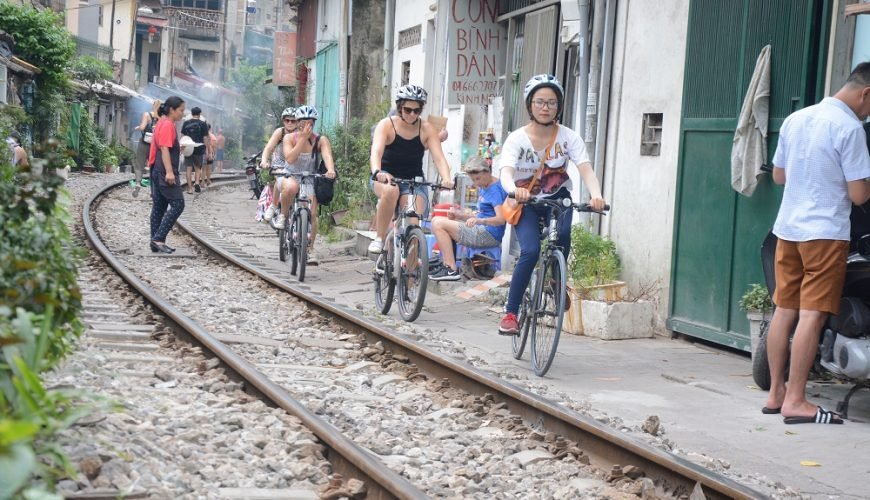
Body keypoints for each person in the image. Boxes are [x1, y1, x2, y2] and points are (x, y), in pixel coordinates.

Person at [764, 62, 870, 425]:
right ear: (865, 93)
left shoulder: (798, 118)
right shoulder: (850, 128)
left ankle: (776, 394)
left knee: (784, 309)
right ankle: (797, 400)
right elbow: (859, 195)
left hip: (788, 229)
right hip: (825, 233)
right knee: (812, 313)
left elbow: (778, 176)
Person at [497, 75, 606, 335]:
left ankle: (557, 280)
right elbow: (505, 173)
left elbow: (586, 170)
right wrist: (515, 190)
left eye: (552, 103)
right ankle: (511, 313)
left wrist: (596, 195)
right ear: (529, 105)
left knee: (565, 234)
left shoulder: (569, 138)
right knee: (531, 251)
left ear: (559, 106)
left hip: (558, 198)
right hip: (527, 203)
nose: (545, 107)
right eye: (539, 102)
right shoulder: (516, 139)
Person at [369, 84, 455, 254]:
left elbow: (438, 157)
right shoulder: (387, 125)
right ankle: (379, 238)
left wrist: (447, 178)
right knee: (391, 191)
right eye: (408, 110)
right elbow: (376, 152)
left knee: (413, 223)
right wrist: (377, 172)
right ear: (400, 107)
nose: (412, 114)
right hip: (386, 177)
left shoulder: (426, 129)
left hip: (413, 182)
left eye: (417, 111)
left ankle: (410, 274)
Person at [275, 105, 336, 265]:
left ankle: (310, 248)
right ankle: (283, 215)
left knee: (313, 213)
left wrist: (330, 170)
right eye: (303, 122)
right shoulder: (289, 138)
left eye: (310, 122)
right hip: (290, 174)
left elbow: (327, 156)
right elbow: (290, 159)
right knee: (291, 188)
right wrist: (302, 139)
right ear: (297, 123)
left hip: (309, 177)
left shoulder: (320, 140)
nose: (306, 126)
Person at [429, 156, 507, 281]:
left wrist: (479, 221)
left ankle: (451, 269)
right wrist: (460, 216)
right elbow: (481, 214)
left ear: (487, 172)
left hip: (489, 234)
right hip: (481, 229)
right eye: (473, 180)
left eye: (478, 179)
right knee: (437, 220)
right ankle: (447, 265)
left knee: (438, 224)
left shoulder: (495, 190)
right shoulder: (485, 186)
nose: (476, 183)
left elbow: (501, 219)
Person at [147, 96, 186, 253]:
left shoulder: (162, 122)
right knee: (178, 204)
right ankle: (158, 238)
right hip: (164, 170)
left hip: (157, 168)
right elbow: (163, 148)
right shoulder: (167, 124)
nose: (182, 114)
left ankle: (154, 241)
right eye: (181, 110)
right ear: (172, 110)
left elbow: (166, 147)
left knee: (160, 205)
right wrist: (169, 172)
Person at [262, 107, 298, 223]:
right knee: (281, 177)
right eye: (287, 120)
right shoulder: (280, 132)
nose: (290, 123)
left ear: (297, 122)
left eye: (293, 121)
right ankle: (273, 205)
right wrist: (264, 161)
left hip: (295, 163)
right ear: (283, 121)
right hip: (280, 162)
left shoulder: (300, 133)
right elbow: (268, 148)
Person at [132, 99, 161, 196]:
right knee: (154, 167)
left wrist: (137, 128)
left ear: (153, 106)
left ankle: (138, 183)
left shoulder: (147, 114)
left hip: (144, 142)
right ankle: (154, 190)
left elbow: (142, 127)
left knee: (139, 165)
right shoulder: (162, 118)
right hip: (155, 145)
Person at [181, 107, 209, 194]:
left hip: (188, 147)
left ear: (191, 113)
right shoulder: (203, 124)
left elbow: (182, 136)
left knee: (188, 168)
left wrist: (182, 147)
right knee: (198, 168)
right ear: (200, 114)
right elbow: (205, 137)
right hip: (199, 148)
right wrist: (206, 148)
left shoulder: (186, 123)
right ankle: (196, 182)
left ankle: (189, 188)